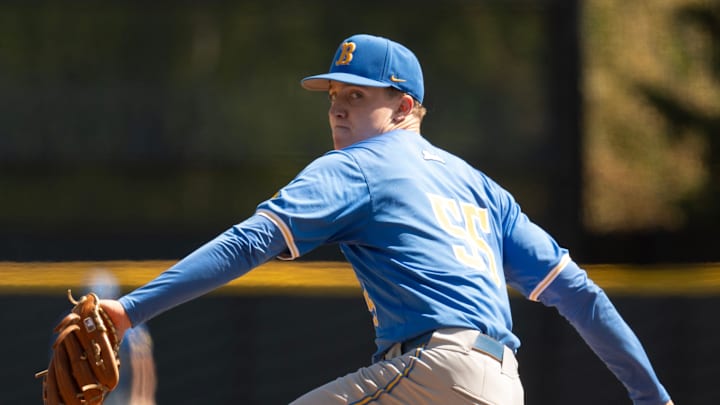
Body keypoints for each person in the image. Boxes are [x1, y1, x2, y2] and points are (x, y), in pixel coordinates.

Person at [100, 34, 673, 404]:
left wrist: (131, 310)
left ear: (404, 107)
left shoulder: (357, 167)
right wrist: (654, 400)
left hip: (435, 375)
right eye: (334, 97)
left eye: (358, 95)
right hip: (501, 386)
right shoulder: (481, 188)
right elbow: (580, 295)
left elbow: (249, 243)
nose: (339, 107)